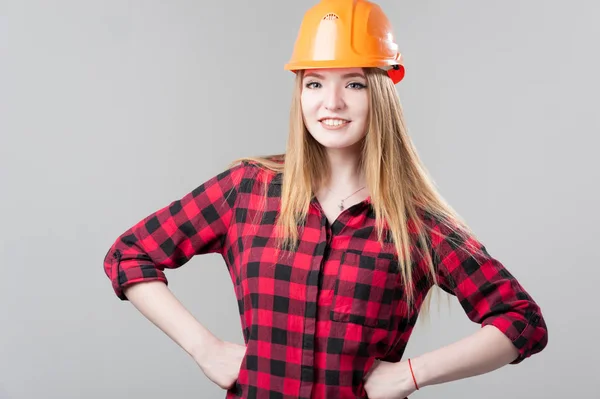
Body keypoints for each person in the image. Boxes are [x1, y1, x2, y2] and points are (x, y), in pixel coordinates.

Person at [102, 0, 548, 398]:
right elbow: (129, 254)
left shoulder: (417, 223)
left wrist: (412, 374)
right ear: (299, 92)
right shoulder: (248, 190)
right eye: (314, 83)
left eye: (353, 84)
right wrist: (206, 350)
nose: (330, 102)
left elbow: (521, 321)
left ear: (381, 93)